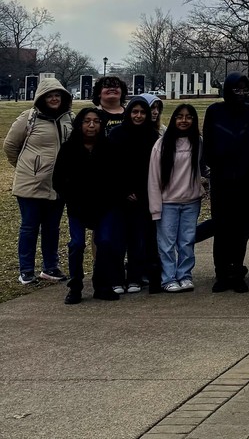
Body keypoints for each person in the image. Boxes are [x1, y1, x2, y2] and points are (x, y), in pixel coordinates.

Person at [4, 77, 74, 285]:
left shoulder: (69, 118)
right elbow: (10, 146)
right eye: (50, 95)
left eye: (57, 95)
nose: (54, 99)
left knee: (52, 228)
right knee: (29, 227)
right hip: (31, 185)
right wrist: (27, 168)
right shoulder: (29, 117)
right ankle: (26, 270)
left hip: (58, 184)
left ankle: (50, 267)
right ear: (42, 98)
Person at [203, 71, 249, 292]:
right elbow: (208, 144)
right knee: (222, 228)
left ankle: (237, 271)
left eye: (244, 89)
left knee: (241, 229)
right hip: (222, 179)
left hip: (248, 180)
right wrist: (215, 168)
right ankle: (222, 273)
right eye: (235, 89)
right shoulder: (215, 111)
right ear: (227, 90)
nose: (240, 93)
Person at [52, 108, 112, 303]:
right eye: (87, 121)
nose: (92, 125)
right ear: (80, 124)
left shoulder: (107, 147)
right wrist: (71, 194)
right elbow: (58, 180)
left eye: (96, 121)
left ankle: (101, 284)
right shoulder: (69, 149)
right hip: (77, 206)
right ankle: (75, 286)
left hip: (103, 206)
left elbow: (116, 177)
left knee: (103, 242)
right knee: (76, 244)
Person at [148, 104, 205, 293]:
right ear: (173, 119)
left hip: (191, 201)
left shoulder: (198, 142)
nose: (184, 120)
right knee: (166, 244)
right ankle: (168, 278)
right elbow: (154, 178)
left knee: (186, 242)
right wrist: (155, 207)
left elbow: (203, 168)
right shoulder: (161, 144)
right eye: (179, 116)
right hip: (167, 203)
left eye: (189, 117)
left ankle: (185, 275)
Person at [107, 96, 161, 294]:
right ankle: (117, 279)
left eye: (142, 112)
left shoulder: (152, 136)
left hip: (144, 196)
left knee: (139, 239)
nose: (138, 116)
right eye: (134, 112)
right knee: (118, 240)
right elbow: (111, 167)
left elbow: (154, 169)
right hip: (119, 196)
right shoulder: (116, 134)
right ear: (128, 113)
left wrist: (140, 193)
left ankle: (135, 277)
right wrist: (124, 192)